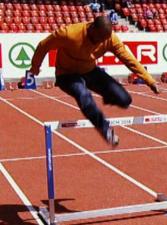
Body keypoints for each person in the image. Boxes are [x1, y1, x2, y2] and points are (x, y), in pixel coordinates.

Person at [29, 16, 160, 147]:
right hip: (67, 75)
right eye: (98, 39)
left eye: (104, 39)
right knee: (83, 94)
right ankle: (106, 131)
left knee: (125, 99)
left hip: (90, 71)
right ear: (92, 28)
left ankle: (106, 97)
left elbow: (128, 58)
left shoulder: (109, 39)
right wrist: (35, 68)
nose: (100, 43)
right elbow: (43, 45)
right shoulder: (69, 33)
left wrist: (150, 80)